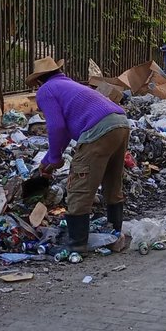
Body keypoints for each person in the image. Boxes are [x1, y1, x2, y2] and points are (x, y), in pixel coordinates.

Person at [30, 57, 132, 252]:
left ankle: (77, 243)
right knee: (112, 179)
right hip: (120, 123)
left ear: (38, 81)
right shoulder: (69, 85)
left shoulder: (46, 91)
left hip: (98, 128)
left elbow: (56, 127)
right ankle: (114, 232)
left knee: (80, 184)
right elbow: (67, 132)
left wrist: (55, 159)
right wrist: (49, 160)